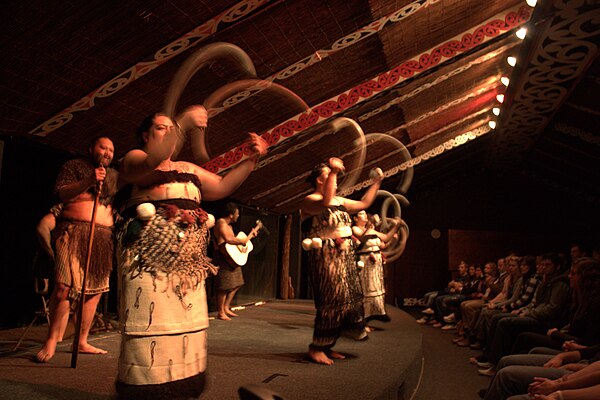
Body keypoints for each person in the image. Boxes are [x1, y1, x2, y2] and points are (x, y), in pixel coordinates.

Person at [115, 106, 266, 398]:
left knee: (187, 325)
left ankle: (183, 388)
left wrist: (252, 160)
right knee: (151, 323)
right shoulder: (136, 159)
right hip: (150, 259)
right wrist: (182, 124)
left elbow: (222, 186)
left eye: (172, 129)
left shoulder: (188, 168)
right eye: (163, 128)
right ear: (145, 135)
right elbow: (153, 159)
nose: (170, 133)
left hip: (188, 265)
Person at [35, 136, 118, 363]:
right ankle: (51, 339)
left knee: (94, 292)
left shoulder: (113, 177)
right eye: (103, 147)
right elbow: (61, 194)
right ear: (91, 147)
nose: (107, 152)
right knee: (64, 286)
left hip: (101, 238)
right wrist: (89, 180)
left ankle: (81, 341)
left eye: (111, 150)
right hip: (72, 232)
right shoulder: (74, 166)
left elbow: (109, 205)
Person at [300, 157, 384, 365]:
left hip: (344, 256)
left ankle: (328, 345)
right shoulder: (309, 201)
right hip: (325, 256)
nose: (336, 181)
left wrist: (377, 183)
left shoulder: (341, 201)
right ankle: (317, 347)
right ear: (320, 180)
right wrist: (334, 171)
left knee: (346, 299)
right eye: (331, 176)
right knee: (332, 300)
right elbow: (326, 201)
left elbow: (364, 203)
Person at [213, 202, 261, 320]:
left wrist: (244, 244)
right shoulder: (221, 222)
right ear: (230, 214)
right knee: (224, 286)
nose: (238, 216)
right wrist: (243, 241)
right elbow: (228, 240)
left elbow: (234, 244)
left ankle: (226, 307)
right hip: (223, 257)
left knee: (237, 283)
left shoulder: (229, 226)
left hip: (231, 258)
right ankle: (220, 312)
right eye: (237, 214)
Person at [352, 210, 401, 326]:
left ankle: (378, 312)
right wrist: (371, 229)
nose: (364, 215)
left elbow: (384, 239)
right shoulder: (355, 229)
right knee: (366, 288)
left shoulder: (371, 230)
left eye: (365, 214)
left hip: (376, 264)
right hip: (365, 262)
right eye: (361, 214)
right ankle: (364, 319)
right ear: (355, 218)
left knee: (376, 287)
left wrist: (396, 227)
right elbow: (362, 238)